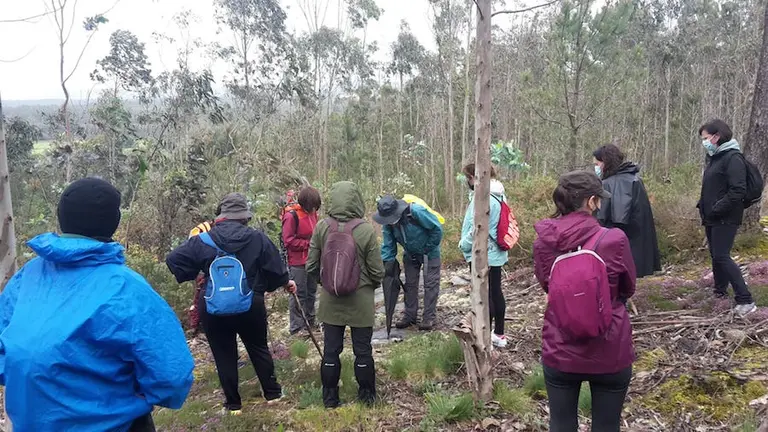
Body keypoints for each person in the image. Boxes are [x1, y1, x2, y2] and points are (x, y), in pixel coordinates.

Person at [0, 177, 194, 432]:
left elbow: (6, 354)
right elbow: (171, 375)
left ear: (62, 216)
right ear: (113, 222)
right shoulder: (126, 287)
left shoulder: (27, 276)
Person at [166, 193, 297, 414]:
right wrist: (284, 283)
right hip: (251, 304)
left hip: (213, 306)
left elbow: (173, 260)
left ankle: (234, 405)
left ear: (221, 216)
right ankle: (273, 395)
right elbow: (276, 272)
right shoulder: (258, 238)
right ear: (244, 216)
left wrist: (198, 273)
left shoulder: (202, 240)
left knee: (224, 355)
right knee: (258, 348)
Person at [533, 171, 636, 432]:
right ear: (591, 202)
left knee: (561, 424)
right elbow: (628, 287)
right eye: (599, 199)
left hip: (560, 345)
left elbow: (548, 286)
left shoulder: (543, 243)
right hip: (610, 346)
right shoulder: (614, 239)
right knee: (607, 425)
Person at [306, 181, 384, 408]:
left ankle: (330, 400)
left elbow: (311, 266)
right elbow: (377, 271)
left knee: (330, 352)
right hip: (361, 301)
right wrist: (368, 286)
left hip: (330, 301)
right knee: (363, 351)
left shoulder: (321, 227)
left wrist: (326, 283)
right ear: (357, 200)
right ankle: (367, 399)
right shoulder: (365, 230)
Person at [698, 119, 757, 317]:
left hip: (726, 216)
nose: (704, 142)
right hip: (712, 216)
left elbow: (737, 190)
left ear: (717, 136)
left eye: (706, 138)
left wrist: (717, 208)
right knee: (716, 256)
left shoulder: (733, 158)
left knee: (722, 256)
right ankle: (720, 292)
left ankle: (745, 299)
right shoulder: (715, 158)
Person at [374, 194, 443, 331]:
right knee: (410, 284)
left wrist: (428, 247)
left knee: (430, 284)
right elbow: (388, 244)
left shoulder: (416, 212)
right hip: (410, 253)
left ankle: (429, 317)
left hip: (430, 252)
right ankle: (410, 316)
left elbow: (437, 229)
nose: (390, 222)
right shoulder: (388, 224)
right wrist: (388, 263)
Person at [593, 144, 661, 278]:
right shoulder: (635, 179)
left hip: (619, 245)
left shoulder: (608, 184)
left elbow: (609, 219)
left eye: (597, 164)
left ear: (605, 162)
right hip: (637, 242)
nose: (596, 167)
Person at [460, 163, 509, 348]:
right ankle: (499, 334)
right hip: (495, 252)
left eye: (469, 177)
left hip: (483, 252)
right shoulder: (499, 194)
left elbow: (477, 227)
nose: (468, 181)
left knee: (484, 295)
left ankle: (485, 337)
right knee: (495, 291)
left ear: (475, 177)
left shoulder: (483, 197)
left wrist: (463, 244)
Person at [282, 186, 321, 335]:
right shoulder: (291, 216)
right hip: (297, 261)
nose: (314, 210)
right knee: (299, 293)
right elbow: (288, 241)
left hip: (312, 259)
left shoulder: (313, 214)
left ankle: (310, 322)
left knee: (311, 291)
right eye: (312, 207)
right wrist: (309, 244)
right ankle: (297, 327)